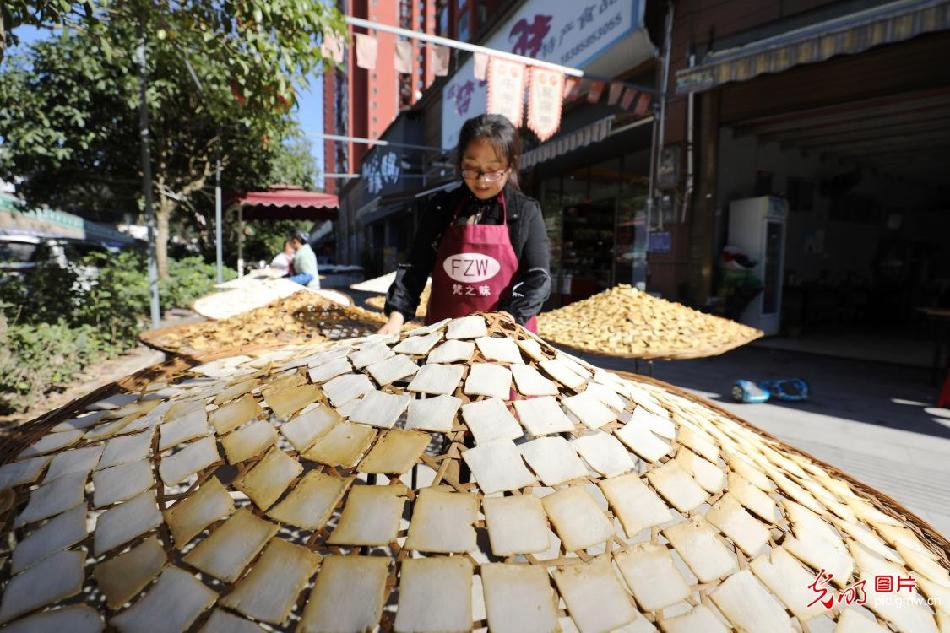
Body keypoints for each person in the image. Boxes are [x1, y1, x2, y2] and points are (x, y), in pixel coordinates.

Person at [379, 113, 550, 334]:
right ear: (460, 162)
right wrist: (396, 318)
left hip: (506, 340)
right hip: (445, 339)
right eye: (471, 168)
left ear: (510, 166)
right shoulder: (441, 208)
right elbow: (415, 268)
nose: (481, 180)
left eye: (492, 170)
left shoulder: (524, 211)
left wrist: (507, 318)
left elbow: (538, 277)